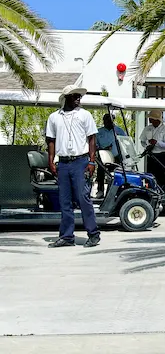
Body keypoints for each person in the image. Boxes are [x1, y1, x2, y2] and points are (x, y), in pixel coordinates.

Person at [46, 85, 100, 248]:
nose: (78, 98)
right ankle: (67, 236)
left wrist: (92, 161)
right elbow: (51, 141)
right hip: (63, 162)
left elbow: (92, 139)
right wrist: (51, 161)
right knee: (64, 201)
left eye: (79, 96)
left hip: (80, 161)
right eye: (75, 96)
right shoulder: (54, 117)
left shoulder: (85, 115)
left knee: (83, 198)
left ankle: (93, 234)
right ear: (66, 98)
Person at [140, 110, 165, 191]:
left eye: (151, 118)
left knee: (161, 178)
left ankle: (162, 195)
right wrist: (147, 145)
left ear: (156, 119)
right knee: (149, 177)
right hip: (151, 156)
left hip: (161, 156)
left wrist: (157, 143)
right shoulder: (147, 128)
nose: (149, 120)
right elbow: (142, 141)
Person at [95, 113, 126, 199]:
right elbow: (95, 144)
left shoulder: (119, 131)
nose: (108, 123)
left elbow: (125, 143)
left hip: (116, 156)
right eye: (106, 121)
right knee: (100, 174)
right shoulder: (99, 131)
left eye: (110, 121)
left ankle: (113, 193)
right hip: (103, 156)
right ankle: (100, 191)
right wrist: (102, 148)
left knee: (115, 175)